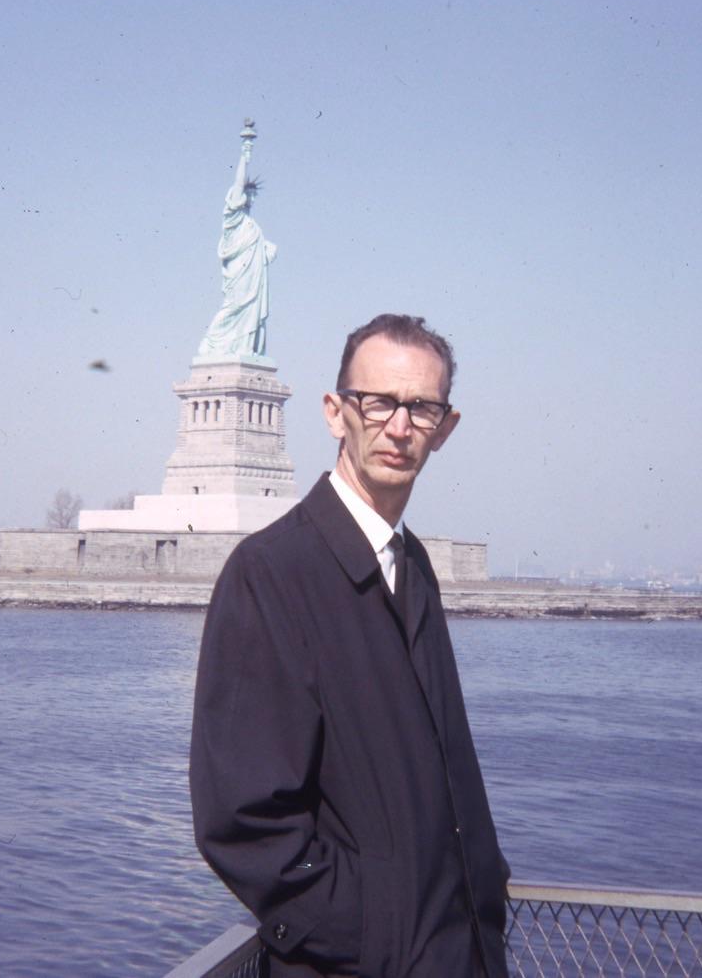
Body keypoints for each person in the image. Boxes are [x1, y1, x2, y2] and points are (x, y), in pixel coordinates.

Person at [190, 314, 511, 977]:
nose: (399, 426)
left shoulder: (412, 562)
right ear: (336, 413)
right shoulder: (270, 573)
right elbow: (244, 822)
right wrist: (377, 937)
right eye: (378, 402)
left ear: (445, 428)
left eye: (421, 407)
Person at [197, 132, 277, 359]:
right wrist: (245, 154)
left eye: (252, 195)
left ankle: (244, 349)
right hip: (239, 278)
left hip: (253, 279)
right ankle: (213, 344)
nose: (248, 198)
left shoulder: (252, 225)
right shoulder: (233, 219)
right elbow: (238, 184)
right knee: (234, 307)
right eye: (245, 194)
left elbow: (258, 251)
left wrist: (266, 250)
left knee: (248, 311)